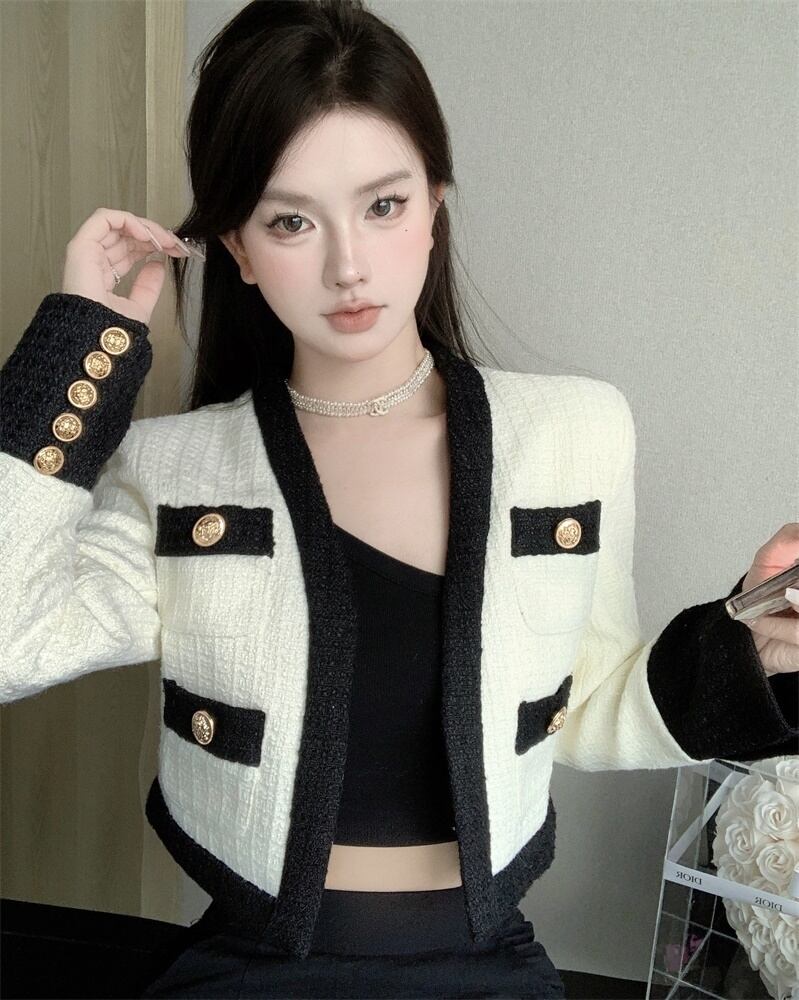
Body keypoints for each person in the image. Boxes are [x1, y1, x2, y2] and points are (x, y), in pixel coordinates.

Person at [1, 1, 796, 998]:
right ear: (237, 248)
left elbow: (591, 706)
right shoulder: (173, 467)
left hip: (485, 964)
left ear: (433, 207)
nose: (349, 266)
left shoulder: (575, 431)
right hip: (252, 967)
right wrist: (80, 347)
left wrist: (750, 645)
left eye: (383, 205)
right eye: (291, 222)